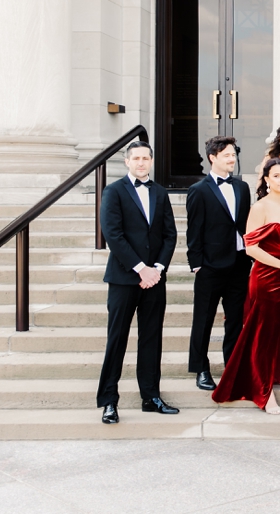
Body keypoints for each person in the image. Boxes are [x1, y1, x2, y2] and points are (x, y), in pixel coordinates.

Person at [212, 158, 280, 414]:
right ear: (266, 179)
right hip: (267, 278)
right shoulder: (260, 208)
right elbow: (251, 247)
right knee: (264, 338)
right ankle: (264, 392)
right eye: (276, 176)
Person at [97, 141, 178, 424]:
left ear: (151, 162)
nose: (141, 163)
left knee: (151, 339)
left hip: (155, 279)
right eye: (136, 158)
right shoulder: (114, 191)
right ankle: (109, 401)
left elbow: (170, 234)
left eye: (146, 158)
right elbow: (112, 233)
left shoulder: (159, 192)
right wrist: (140, 268)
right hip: (124, 278)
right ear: (127, 162)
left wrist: (156, 268)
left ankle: (151, 396)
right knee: (117, 339)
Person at [185, 136, 251, 392]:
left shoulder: (242, 187)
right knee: (203, 319)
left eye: (233, 155)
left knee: (235, 319)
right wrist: (197, 264)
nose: (232, 159)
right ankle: (201, 368)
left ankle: (232, 367)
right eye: (227, 155)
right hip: (210, 266)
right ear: (213, 157)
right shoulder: (199, 190)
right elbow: (194, 231)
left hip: (238, 263)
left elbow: (244, 224)